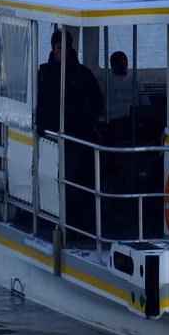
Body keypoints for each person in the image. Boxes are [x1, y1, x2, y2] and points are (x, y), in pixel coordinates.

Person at [36, 30, 104, 237]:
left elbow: (97, 102)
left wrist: (87, 122)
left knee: (77, 180)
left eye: (65, 48)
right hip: (53, 136)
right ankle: (59, 219)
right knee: (56, 179)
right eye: (59, 48)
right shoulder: (44, 73)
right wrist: (41, 125)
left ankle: (78, 224)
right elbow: (39, 102)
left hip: (78, 135)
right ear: (53, 48)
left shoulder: (82, 74)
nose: (62, 52)